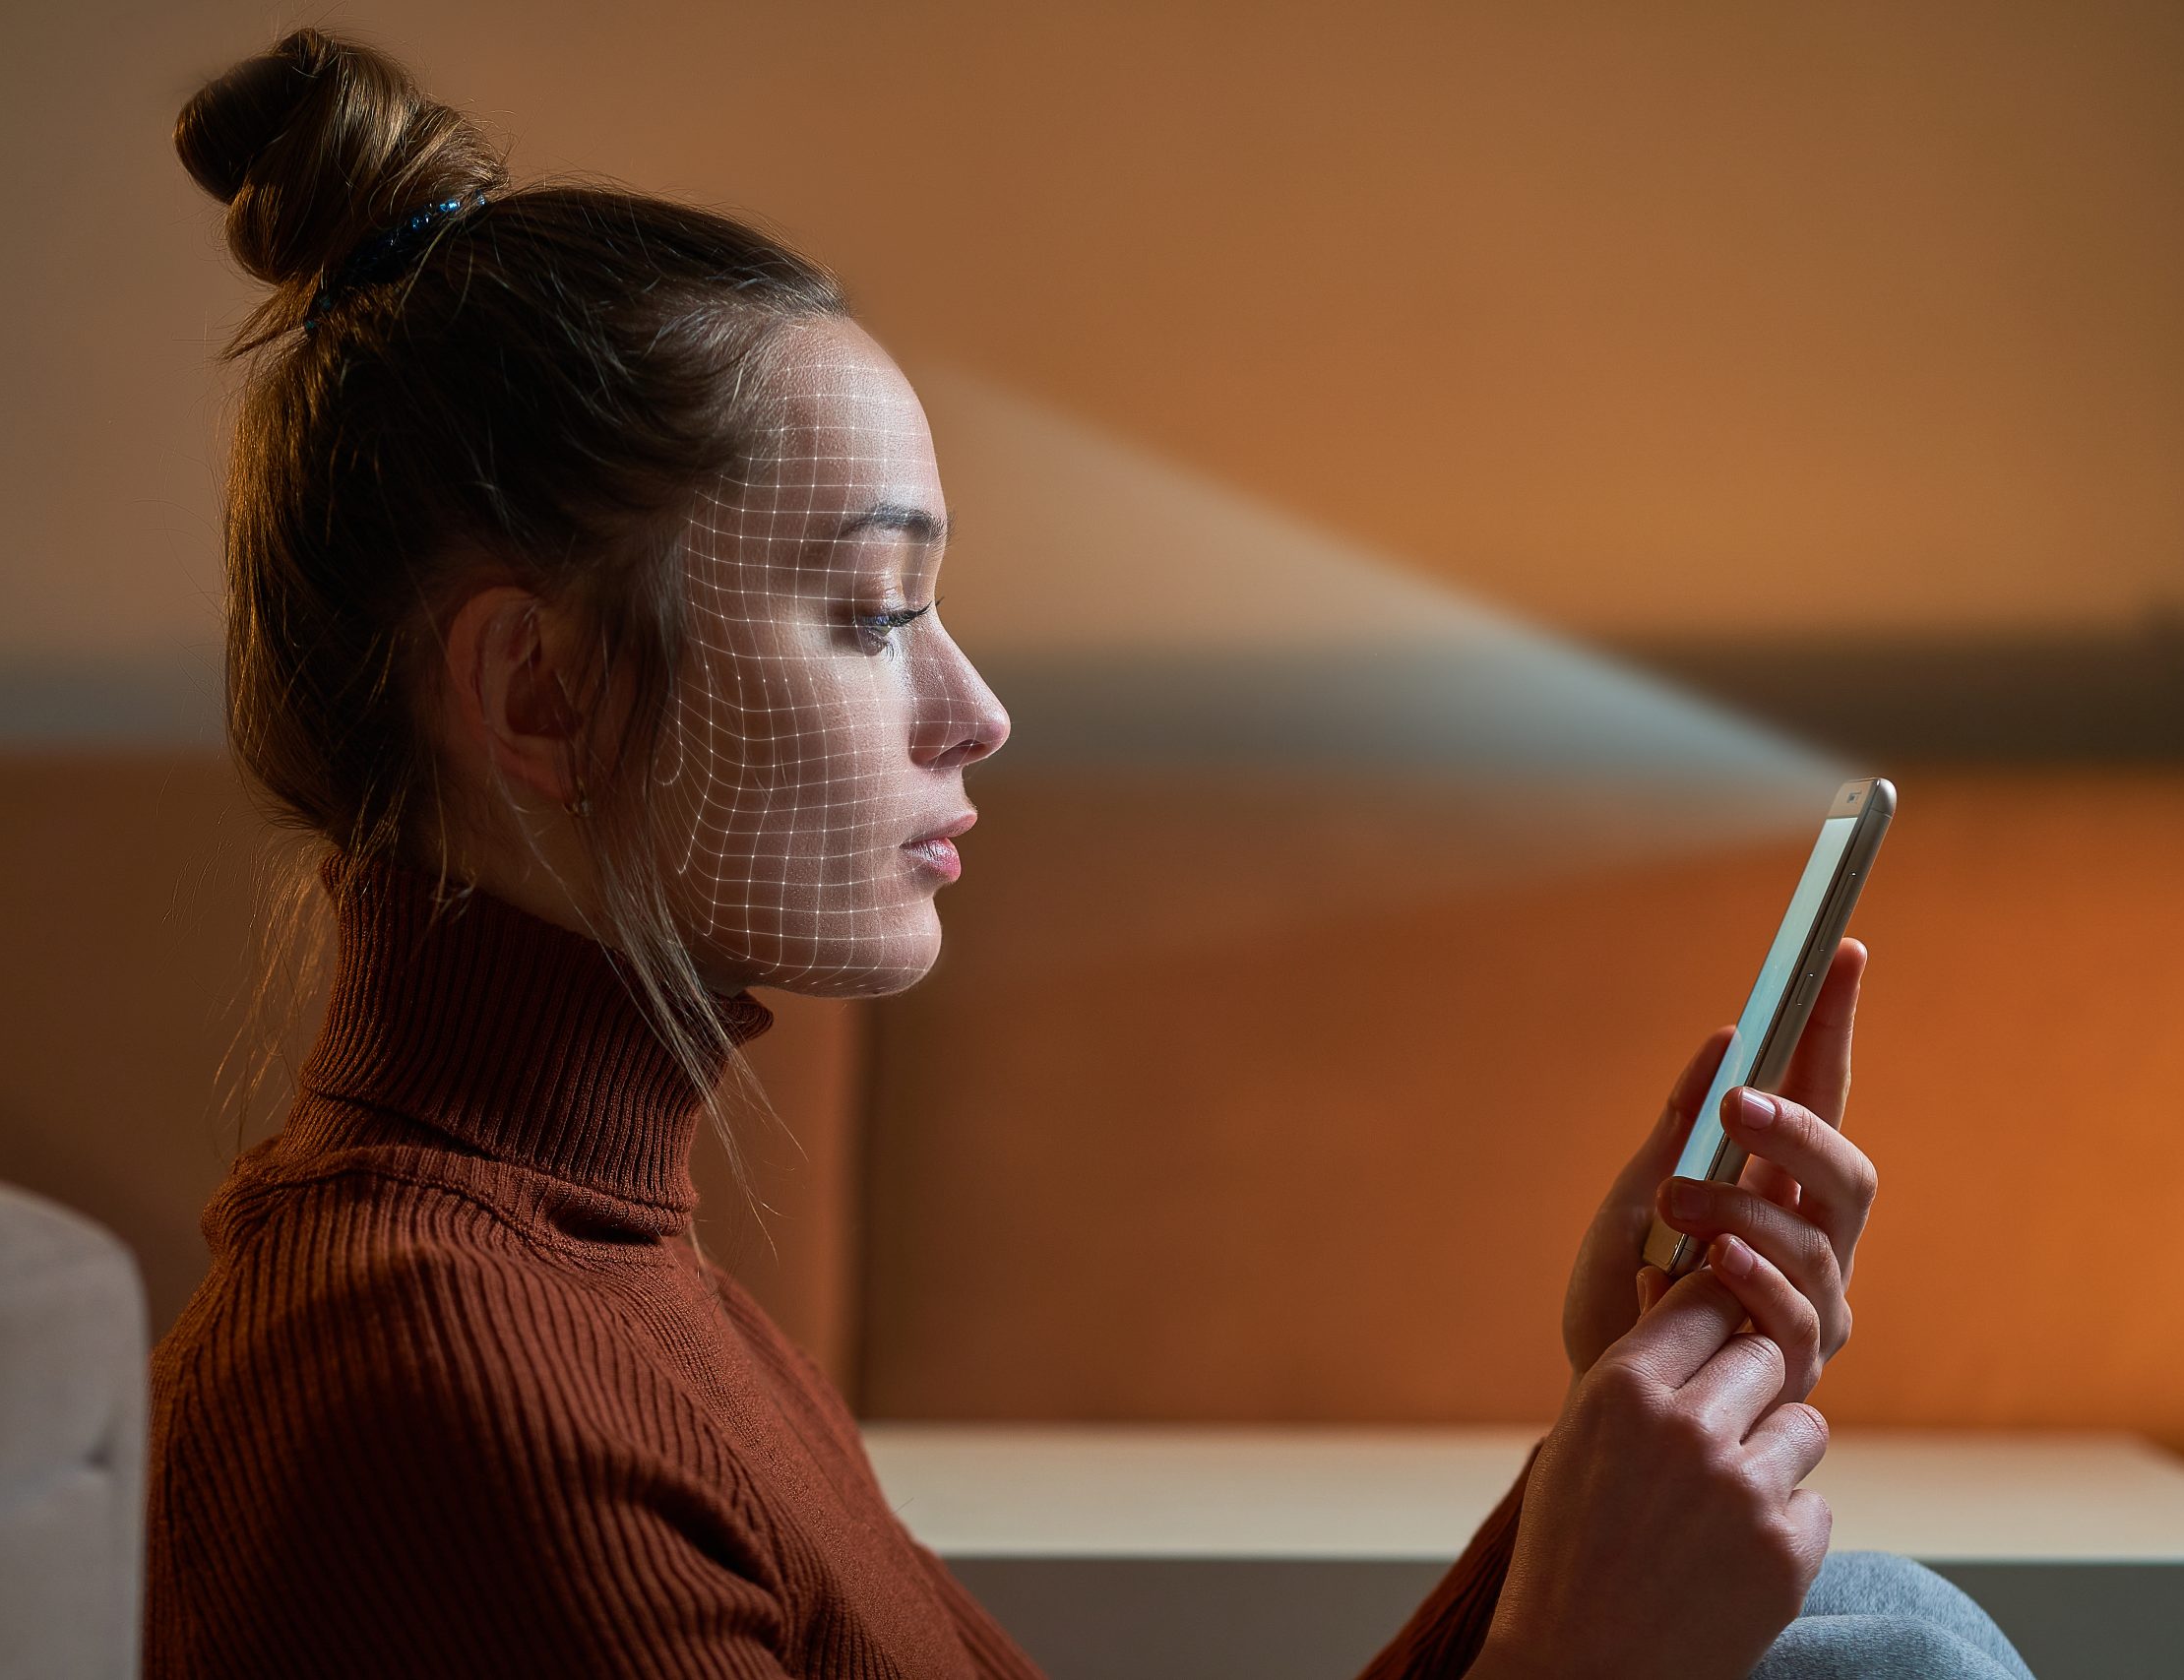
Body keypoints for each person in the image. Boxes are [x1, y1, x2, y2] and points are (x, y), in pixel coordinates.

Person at [149, 28, 2034, 1680]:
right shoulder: (447, 1390)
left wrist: (1603, 1482)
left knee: (1867, 1628)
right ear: (541, 697)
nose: (976, 712)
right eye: (873, 611)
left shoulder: (608, 1288)